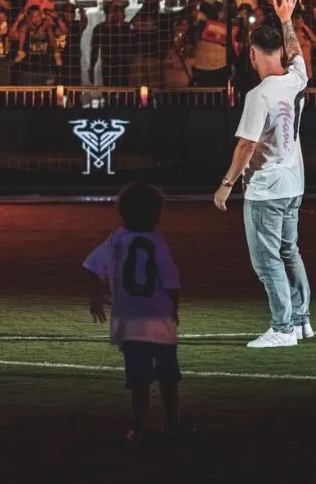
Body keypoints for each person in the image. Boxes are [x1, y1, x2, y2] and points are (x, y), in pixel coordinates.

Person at [213, 0, 313, 349]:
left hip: (267, 189)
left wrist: (226, 183)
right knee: (289, 251)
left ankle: (282, 328)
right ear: (281, 52)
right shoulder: (297, 78)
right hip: (294, 184)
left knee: (267, 260)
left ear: (253, 53)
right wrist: (287, 20)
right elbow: (298, 53)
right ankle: (301, 321)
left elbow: (247, 145)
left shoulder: (260, 95)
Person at [84, 183, 194, 441]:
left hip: (129, 323)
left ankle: (140, 428)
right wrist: (174, 309)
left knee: (139, 381)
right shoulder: (157, 242)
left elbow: (90, 267)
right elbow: (171, 282)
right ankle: (172, 424)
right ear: (156, 214)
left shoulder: (116, 240)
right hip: (159, 320)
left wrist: (96, 296)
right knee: (168, 377)